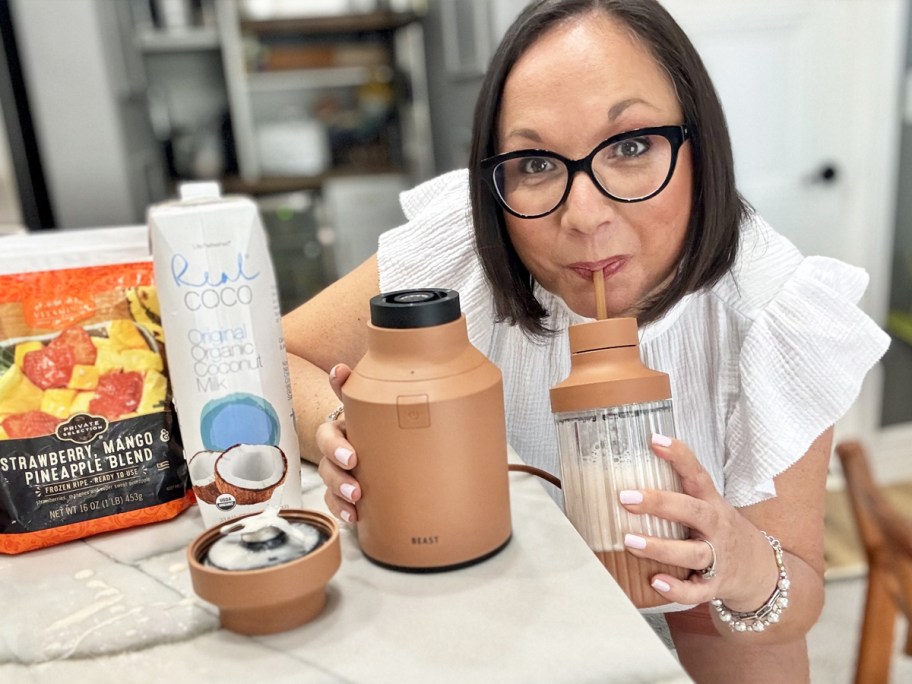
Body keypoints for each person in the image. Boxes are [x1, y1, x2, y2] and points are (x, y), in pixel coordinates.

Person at [282, 0, 889, 681]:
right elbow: (282, 358)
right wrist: (343, 431)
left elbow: (787, 610)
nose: (585, 217)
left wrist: (739, 562)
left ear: (698, 143)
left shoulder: (773, 315)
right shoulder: (469, 246)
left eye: (631, 147)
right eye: (535, 162)